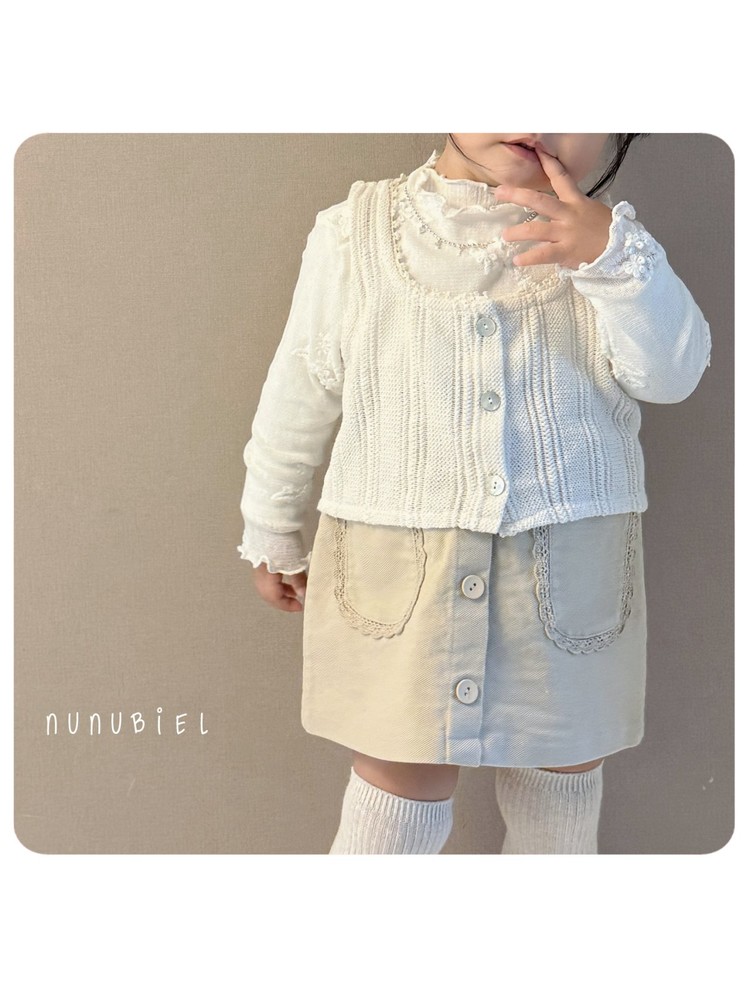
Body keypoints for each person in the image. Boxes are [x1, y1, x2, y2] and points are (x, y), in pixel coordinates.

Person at [236, 134, 712, 854]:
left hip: (569, 576)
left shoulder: (613, 246)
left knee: (560, 777)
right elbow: (299, 389)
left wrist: (611, 259)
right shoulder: (356, 231)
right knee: (399, 775)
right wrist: (270, 525)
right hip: (400, 575)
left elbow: (672, 376)